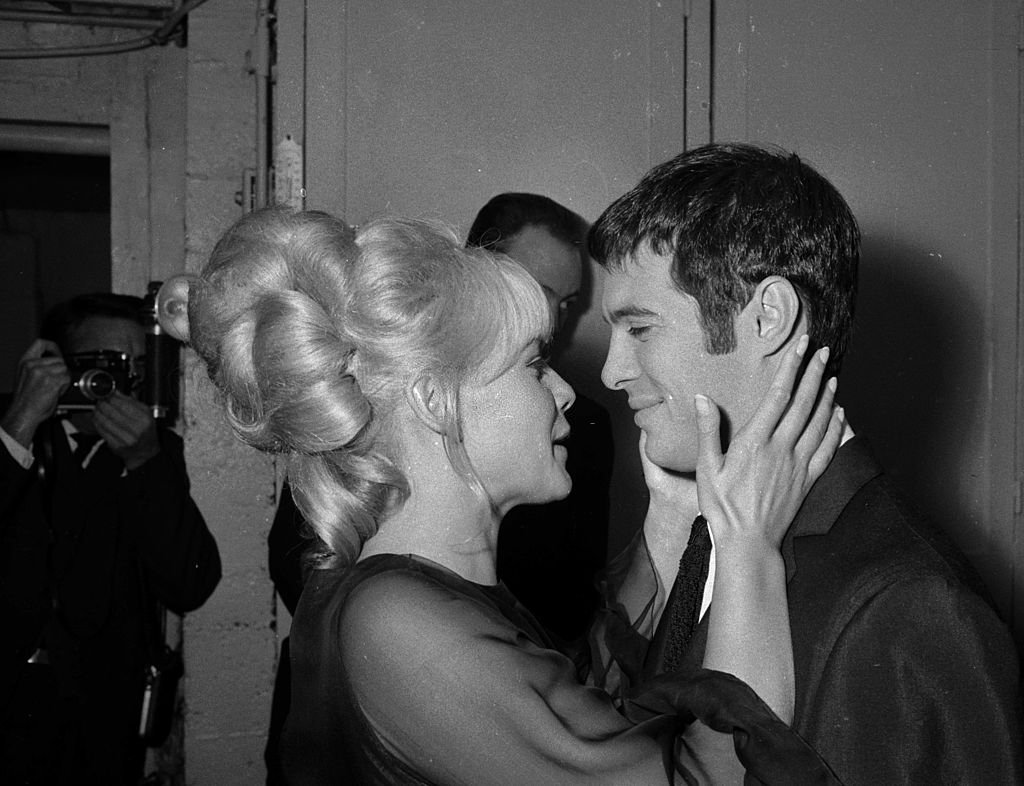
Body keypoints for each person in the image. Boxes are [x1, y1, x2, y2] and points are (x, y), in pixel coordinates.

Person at [160, 206, 846, 784]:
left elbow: (593, 720)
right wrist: (749, 551)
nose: (566, 391)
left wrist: (666, 528)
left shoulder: (431, 595)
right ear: (437, 402)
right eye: (533, 364)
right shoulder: (400, 622)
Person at [588, 142, 1024, 784]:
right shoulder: (706, 529)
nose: (610, 370)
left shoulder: (911, 604)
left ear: (767, 317)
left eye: (640, 329)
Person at [0, 293, 222, 786]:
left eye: (133, 367)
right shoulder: (10, 426)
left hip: (102, 716)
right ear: (53, 363)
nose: (115, 384)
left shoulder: (153, 449)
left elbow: (191, 583)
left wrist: (145, 463)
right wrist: (19, 424)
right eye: (103, 365)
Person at [465, 192, 612, 647]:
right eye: (538, 290)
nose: (551, 318)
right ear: (473, 272)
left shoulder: (583, 423)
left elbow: (573, 600)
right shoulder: (390, 384)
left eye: (566, 302)